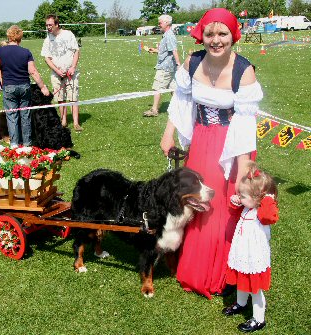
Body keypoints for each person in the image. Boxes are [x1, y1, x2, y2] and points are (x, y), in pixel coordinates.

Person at [160, 8, 263, 299]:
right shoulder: (192, 63)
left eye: (222, 34)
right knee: (198, 202)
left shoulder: (244, 71)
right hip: (202, 139)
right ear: (200, 35)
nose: (216, 40)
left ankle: (225, 272)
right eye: (210, 34)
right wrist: (169, 133)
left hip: (232, 145)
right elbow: (180, 99)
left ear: (233, 36)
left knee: (225, 206)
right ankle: (195, 268)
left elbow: (244, 125)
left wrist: (243, 170)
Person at [223, 162, 278, 332]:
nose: (240, 197)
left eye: (243, 195)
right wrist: (236, 201)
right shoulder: (247, 208)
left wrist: (268, 198)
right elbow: (234, 211)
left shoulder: (262, 213)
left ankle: (258, 318)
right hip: (243, 254)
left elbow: (271, 216)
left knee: (255, 289)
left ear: (258, 199)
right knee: (241, 280)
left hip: (254, 257)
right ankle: (240, 303)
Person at [0, 25, 50, 148]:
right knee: (25, 115)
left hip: (9, 87)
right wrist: (43, 87)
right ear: (20, 38)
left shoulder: (0, 51)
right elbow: (33, 71)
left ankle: (14, 144)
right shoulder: (26, 52)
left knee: (12, 116)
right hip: (24, 86)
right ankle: (27, 143)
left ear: (9, 36)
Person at [41, 14, 82, 131]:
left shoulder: (68, 35)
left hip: (71, 72)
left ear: (57, 24)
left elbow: (76, 51)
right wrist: (57, 70)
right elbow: (47, 58)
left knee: (73, 97)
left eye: (50, 25)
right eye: (47, 25)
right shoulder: (47, 39)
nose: (48, 27)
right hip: (56, 73)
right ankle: (63, 121)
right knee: (60, 98)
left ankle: (76, 123)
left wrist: (73, 67)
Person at [143, 14, 181, 117]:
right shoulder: (167, 34)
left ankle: (154, 110)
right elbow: (166, 50)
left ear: (167, 23)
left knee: (157, 88)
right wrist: (155, 50)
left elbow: (174, 50)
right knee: (173, 89)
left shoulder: (169, 35)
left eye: (160, 22)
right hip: (169, 67)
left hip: (165, 67)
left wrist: (178, 64)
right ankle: (178, 109)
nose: (158, 24)